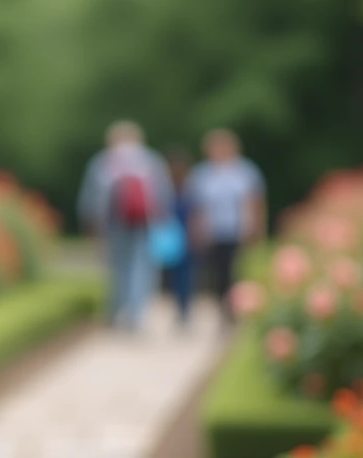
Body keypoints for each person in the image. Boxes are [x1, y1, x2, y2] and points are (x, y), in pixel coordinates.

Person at [77, 120, 174, 331]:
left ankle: (117, 311)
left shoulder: (103, 162)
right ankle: (135, 315)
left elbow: (90, 199)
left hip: (113, 223)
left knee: (117, 268)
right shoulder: (150, 160)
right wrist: (163, 220)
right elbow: (164, 194)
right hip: (144, 223)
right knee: (141, 267)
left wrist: (90, 226)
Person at [185, 128, 266, 325]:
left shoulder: (246, 171)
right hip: (213, 233)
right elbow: (196, 207)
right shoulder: (202, 174)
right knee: (218, 274)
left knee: (237, 272)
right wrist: (196, 231)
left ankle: (237, 311)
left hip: (238, 231)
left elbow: (256, 202)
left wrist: (257, 229)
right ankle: (222, 311)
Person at [163, 147, 196, 330]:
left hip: (185, 237)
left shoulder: (191, 187)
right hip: (170, 237)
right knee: (175, 277)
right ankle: (180, 310)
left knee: (185, 276)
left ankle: (184, 311)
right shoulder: (164, 188)